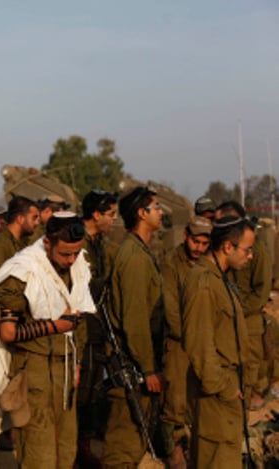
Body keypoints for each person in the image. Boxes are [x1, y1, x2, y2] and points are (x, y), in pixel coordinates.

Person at [0, 212, 95, 468]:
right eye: (65, 254)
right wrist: (55, 326)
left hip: (64, 373)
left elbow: (80, 321)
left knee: (65, 453)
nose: (71, 259)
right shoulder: (23, 271)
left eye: (76, 253)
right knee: (38, 456)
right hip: (34, 373)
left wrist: (76, 363)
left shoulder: (77, 269)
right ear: (47, 244)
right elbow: (8, 333)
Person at [182, 216, 253, 468]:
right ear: (227, 247)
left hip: (226, 387)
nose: (251, 256)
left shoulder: (220, 280)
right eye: (247, 249)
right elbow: (198, 343)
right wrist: (223, 388)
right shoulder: (203, 282)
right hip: (216, 392)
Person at [103, 186, 166, 467]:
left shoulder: (138, 252)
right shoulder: (134, 258)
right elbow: (135, 319)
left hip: (139, 361)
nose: (161, 212)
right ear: (142, 214)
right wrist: (149, 368)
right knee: (123, 446)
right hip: (134, 364)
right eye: (156, 207)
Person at [159, 216, 212, 466]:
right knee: (175, 401)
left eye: (204, 243)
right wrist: (192, 337)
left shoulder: (208, 264)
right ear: (185, 237)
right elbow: (171, 310)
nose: (198, 247)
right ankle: (173, 449)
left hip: (204, 342)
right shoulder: (170, 263)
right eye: (195, 241)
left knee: (198, 399)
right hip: (179, 342)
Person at [77, 189, 119, 463]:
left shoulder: (100, 244)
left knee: (92, 392)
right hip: (80, 328)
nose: (114, 219)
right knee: (80, 393)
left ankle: (84, 446)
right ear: (96, 214)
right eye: (110, 214)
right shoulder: (75, 242)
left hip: (97, 329)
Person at [217, 201, 272, 410]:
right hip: (228, 319)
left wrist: (239, 309)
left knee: (251, 369)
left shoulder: (256, 251)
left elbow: (261, 291)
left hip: (249, 320)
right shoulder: (224, 250)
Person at [0, 196, 39, 283]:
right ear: (20, 219)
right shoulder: (0, 245)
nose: (37, 222)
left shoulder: (22, 242)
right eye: (34, 218)